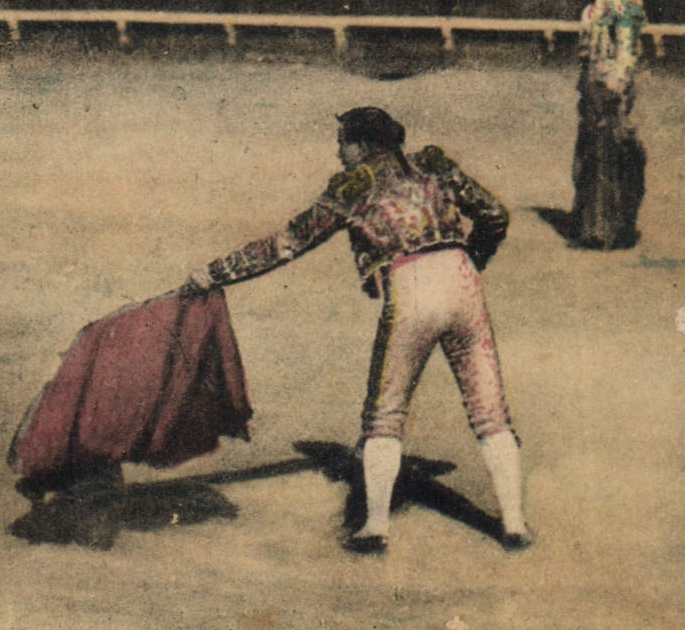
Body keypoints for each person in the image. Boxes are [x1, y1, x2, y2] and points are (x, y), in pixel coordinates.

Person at [179, 107, 530, 554]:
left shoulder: (352, 185)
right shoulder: (433, 164)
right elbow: (494, 213)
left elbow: (286, 244)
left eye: (343, 140)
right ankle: (515, 523)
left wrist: (213, 274)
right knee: (489, 409)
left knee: (385, 413)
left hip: (411, 286)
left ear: (362, 145)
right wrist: (475, 256)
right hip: (463, 281)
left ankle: (375, 527)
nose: (338, 150)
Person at [569, 0, 647, 250]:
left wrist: (619, 81)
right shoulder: (597, 3)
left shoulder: (623, 0)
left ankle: (606, 230)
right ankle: (592, 225)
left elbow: (627, 46)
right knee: (591, 154)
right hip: (592, 85)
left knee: (610, 156)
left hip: (610, 86)